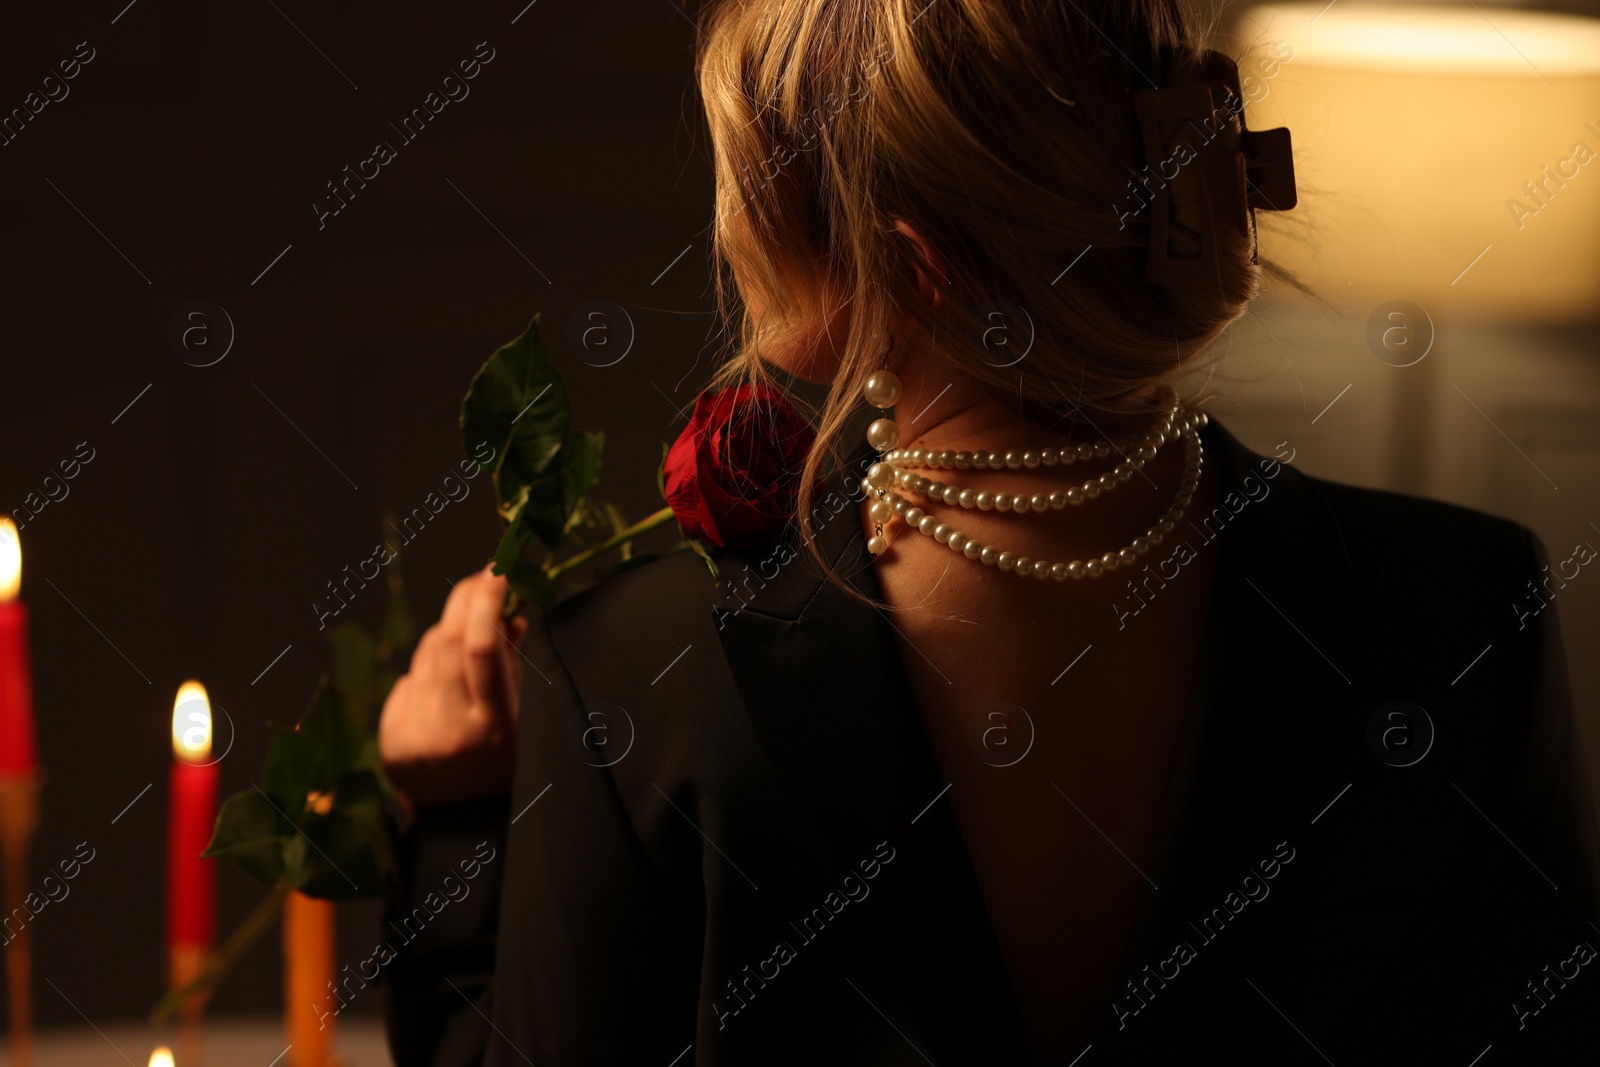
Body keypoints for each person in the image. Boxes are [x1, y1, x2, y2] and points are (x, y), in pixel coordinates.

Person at [376, 1, 1600, 1063]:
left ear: (910, 271)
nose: (726, 231)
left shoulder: (631, 676)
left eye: (753, 180)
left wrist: (464, 822)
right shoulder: (1461, 610)